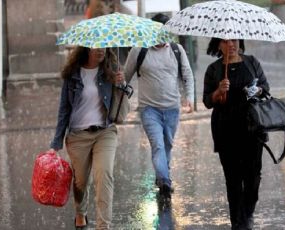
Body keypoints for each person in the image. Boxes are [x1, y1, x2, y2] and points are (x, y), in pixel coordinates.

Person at [49, 46, 124, 230]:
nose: (101, 51)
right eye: (96, 48)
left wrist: (119, 84)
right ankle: (80, 212)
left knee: (104, 175)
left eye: (104, 47)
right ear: (86, 49)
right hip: (78, 136)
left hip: (104, 132)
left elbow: (121, 99)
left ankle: (103, 226)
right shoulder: (73, 74)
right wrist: (56, 143)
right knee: (81, 181)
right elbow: (64, 109)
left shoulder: (110, 69)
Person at [123, 13, 194, 199]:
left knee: (168, 145)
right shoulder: (139, 51)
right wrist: (118, 87)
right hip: (149, 109)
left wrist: (190, 98)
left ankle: (162, 176)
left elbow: (187, 74)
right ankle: (165, 180)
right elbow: (125, 77)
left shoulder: (177, 50)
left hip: (172, 108)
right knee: (158, 146)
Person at [202, 38, 270, 230]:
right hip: (225, 130)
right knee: (233, 179)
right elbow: (207, 101)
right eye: (224, 42)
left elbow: (265, 88)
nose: (230, 44)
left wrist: (256, 91)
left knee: (253, 178)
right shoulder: (214, 69)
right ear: (218, 45)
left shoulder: (252, 62)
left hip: (252, 129)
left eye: (234, 40)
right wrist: (218, 91)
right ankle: (238, 223)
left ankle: (247, 213)